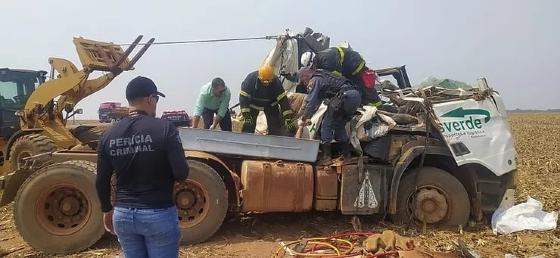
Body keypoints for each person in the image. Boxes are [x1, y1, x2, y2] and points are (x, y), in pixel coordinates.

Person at [96, 76, 189, 258]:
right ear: (150, 98)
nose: (156, 104)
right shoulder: (165, 128)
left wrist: (107, 209)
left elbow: (101, 181)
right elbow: (181, 172)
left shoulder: (108, 135)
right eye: (156, 99)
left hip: (123, 216)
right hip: (158, 213)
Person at [298, 68, 361, 162]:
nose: (304, 84)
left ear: (304, 76)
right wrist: (309, 116)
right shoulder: (322, 75)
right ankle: (346, 155)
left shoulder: (314, 80)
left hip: (343, 97)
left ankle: (326, 157)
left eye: (303, 81)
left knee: (326, 125)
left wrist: (305, 117)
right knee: (339, 126)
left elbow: (311, 100)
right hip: (355, 96)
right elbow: (317, 101)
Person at [301, 46, 382, 108]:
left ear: (313, 61)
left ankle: (378, 107)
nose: (312, 69)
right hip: (349, 65)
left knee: (363, 86)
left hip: (354, 65)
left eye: (311, 67)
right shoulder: (320, 58)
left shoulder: (326, 61)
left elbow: (338, 79)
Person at [239, 64, 296, 135]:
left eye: (268, 82)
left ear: (272, 78)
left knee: (275, 127)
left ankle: (274, 143)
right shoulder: (250, 79)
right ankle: (245, 142)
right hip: (253, 104)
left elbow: (283, 101)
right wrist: (246, 115)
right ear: (259, 77)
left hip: (271, 105)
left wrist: (288, 118)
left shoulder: (276, 82)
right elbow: (243, 98)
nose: (266, 84)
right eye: (263, 82)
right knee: (249, 125)